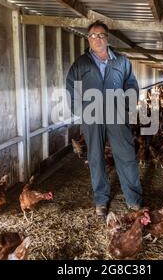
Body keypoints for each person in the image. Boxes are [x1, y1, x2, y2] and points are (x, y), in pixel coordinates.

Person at [66, 20, 143, 218]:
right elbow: (71, 88)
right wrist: (81, 111)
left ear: (107, 38)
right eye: (93, 36)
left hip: (116, 113)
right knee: (95, 157)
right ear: (88, 39)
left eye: (101, 35)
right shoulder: (81, 63)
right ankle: (101, 200)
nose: (97, 39)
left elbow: (132, 86)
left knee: (126, 154)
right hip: (92, 115)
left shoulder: (122, 61)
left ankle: (133, 199)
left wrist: (126, 109)